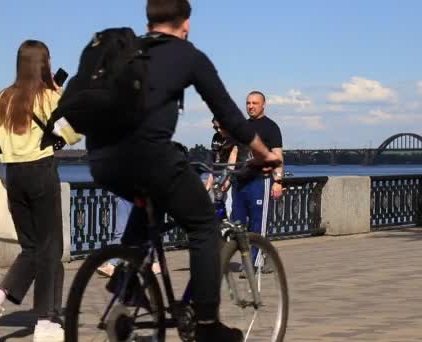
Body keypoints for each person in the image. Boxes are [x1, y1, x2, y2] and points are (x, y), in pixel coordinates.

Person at [71, 1, 281, 341]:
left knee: (145, 206)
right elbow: (229, 116)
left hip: (103, 161)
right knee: (203, 226)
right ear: (186, 23)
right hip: (149, 157)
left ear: (149, 20)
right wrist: (263, 154)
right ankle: (207, 326)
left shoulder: (128, 50)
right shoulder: (187, 55)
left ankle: (125, 284)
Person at [0, 40, 82, 342]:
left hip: (14, 177)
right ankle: (47, 323)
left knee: (32, 249)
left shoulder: (3, 97)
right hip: (40, 172)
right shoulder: (48, 96)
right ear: (44, 65)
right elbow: (73, 135)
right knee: (51, 250)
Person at [231, 91, 284, 268]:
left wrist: (278, 181)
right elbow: (235, 152)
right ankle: (248, 259)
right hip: (240, 182)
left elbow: (277, 156)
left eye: (254, 103)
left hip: (260, 181)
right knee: (238, 224)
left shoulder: (271, 127)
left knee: (258, 223)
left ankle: (256, 263)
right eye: (248, 103)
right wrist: (228, 175)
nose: (250, 106)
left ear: (263, 105)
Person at [205, 118, 238, 216]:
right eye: (215, 127)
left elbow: (234, 160)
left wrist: (227, 180)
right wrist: (208, 184)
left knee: (229, 210)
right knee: (218, 210)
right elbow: (214, 161)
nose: (218, 130)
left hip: (231, 177)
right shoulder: (216, 137)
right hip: (218, 178)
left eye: (221, 127)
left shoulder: (235, 138)